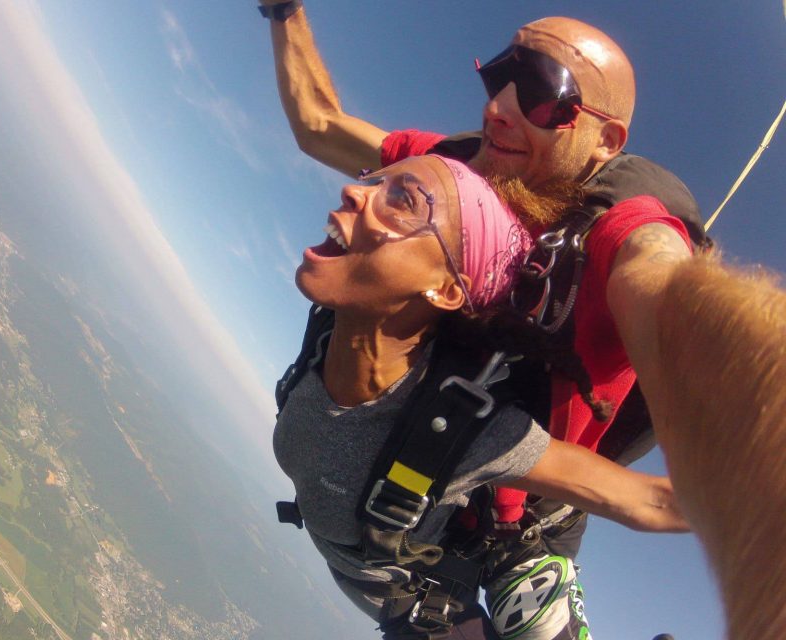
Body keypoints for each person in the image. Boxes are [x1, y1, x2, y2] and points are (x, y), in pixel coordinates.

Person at [259, 3, 786, 637]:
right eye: (499, 76)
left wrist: (764, 455)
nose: (497, 107)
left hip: (528, 508)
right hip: (416, 470)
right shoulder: (455, 177)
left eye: (542, 92)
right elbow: (320, 125)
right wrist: (284, 11)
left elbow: (665, 291)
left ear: (605, 141)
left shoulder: (622, 226)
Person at [273, 153, 688, 639]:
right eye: (373, 180)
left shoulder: (459, 428)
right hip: (389, 592)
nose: (354, 191)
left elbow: (647, 501)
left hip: (424, 586)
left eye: (403, 199)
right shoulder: (326, 331)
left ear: (448, 289)